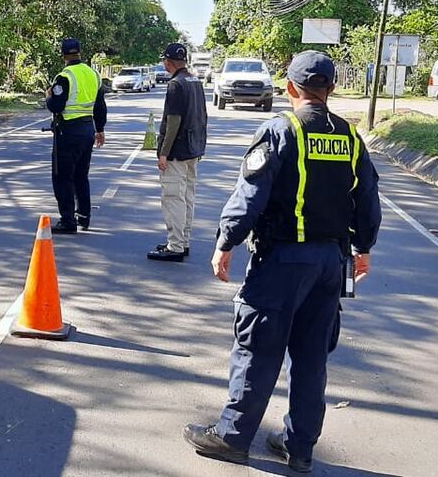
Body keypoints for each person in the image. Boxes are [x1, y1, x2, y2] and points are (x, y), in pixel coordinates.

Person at [183, 51, 381, 473]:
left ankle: (233, 437)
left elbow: (250, 195)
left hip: (282, 261)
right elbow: (367, 200)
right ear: (329, 89)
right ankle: (299, 447)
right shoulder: (349, 138)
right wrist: (364, 248)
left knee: (258, 349)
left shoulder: (281, 130)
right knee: (312, 357)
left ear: (290, 88)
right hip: (331, 264)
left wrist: (226, 242)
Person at [147, 43, 208, 263]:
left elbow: (173, 122)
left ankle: (175, 246)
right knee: (187, 197)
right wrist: (200, 145)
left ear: (169, 62)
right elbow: (202, 117)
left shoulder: (175, 85)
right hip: (192, 149)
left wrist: (163, 152)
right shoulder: (195, 82)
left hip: (177, 151)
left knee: (173, 197)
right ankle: (184, 241)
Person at [45, 38, 107, 234]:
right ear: (80, 53)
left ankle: (68, 220)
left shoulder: (64, 77)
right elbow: (100, 105)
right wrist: (100, 129)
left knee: (63, 176)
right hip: (88, 130)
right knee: (81, 175)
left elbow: (56, 106)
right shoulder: (93, 74)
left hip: (68, 131)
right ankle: (84, 217)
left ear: (63, 55)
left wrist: (48, 96)